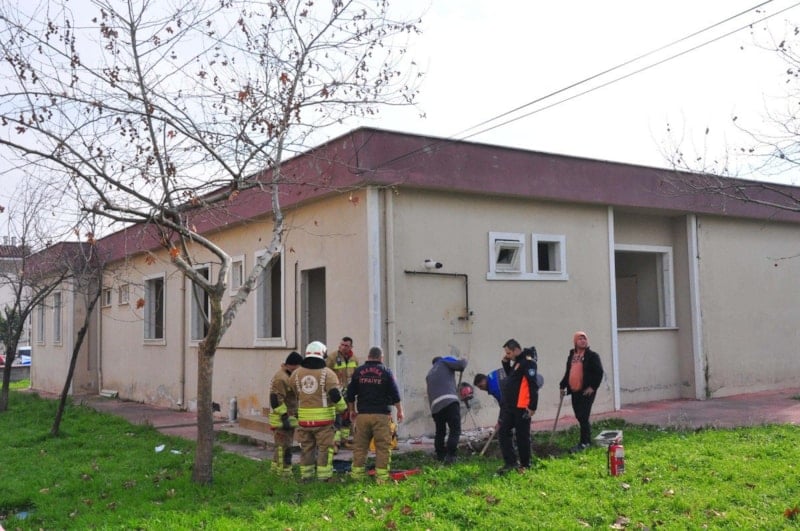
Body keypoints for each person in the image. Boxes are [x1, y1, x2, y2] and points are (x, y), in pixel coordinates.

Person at [345, 346, 403, 482]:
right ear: (381, 357)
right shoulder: (386, 372)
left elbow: (350, 394)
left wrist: (352, 410)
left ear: (368, 356)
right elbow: (395, 394)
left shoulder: (359, 371)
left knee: (360, 447)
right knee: (382, 447)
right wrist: (400, 411)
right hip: (381, 415)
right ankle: (381, 478)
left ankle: (357, 477)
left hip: (363, 415)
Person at [291, 341, 347, 482]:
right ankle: (324, 477)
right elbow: (335, 395)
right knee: (325, 448)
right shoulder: (328, 374)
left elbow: (294, 394)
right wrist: (343, 408)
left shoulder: (296, 374)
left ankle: (306, 476)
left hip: (304, 421)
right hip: (324, 421)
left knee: (306, 448)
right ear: (322, 354)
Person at [496, 338, 539, 475]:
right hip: (511, 406)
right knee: (503, 432)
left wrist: (532, 406)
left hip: (522, 406)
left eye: (509, 353)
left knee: (522, 436)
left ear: (516, 350)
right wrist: (505, 363)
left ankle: (526, 464)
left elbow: (533, 385)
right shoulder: (517, 362)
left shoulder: (528, 362)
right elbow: (513, 378)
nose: (507, 355)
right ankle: (511, 462)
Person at [559, 331, 604, 453]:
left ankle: (585, 442)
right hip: (575, 391)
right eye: (580, 339)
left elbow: (599, 372)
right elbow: (568, 372)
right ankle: (585, 440)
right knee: (579, 416)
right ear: (575, 342)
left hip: (586, 391)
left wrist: (592, 387)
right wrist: (562, 385)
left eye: (585, 339)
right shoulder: (572, 356)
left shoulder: (592, 356)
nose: (583, 341)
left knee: (583, 416)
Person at [425, 355, 468, 464]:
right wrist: (464, 359)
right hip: (449, 401)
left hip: (435, 407)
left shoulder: (429, 374)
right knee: (455, 429)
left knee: (440, 432)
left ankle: (440, 455)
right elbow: (461, 365)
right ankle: (451, 456)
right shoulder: (444, 362)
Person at [268, 351, 303, 477]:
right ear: (293, 365)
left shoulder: (288, 376)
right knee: (285, 447)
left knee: (281, 446)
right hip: (282, 419)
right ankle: (285, 473)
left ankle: (275, 470)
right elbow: (276, 400)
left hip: (287, 417)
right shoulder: (281, 378)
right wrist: (284, 417)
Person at [326, 336, 359, 449]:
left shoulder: (354, 359)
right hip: (336, 393)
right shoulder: (332, 357)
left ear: (351, 347)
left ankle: (345, 441)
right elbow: (326, 373)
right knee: (337, 417)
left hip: (348, 393)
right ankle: (335, 443)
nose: (343, 347)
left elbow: (356, 376)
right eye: (342, 345)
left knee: (347, 417)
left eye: (346, 345)